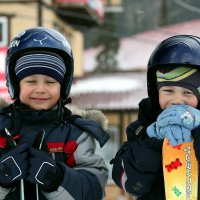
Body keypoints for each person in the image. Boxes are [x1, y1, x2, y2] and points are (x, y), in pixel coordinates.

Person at [0, 27, 109, 200]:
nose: (40, 89)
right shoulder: (1, 127)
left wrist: (56, 178)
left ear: (63, 85)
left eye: (51, 81)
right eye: (31, 81)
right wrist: (3, 177)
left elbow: (93, 189)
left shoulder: (75, 135)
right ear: (15, 83)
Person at [111, 34, 200, 200]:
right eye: (168, 91)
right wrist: (151, 140)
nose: (177, 100)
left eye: (188, 93)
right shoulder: (142, 128)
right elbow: (129, 183)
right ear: (155, 91)